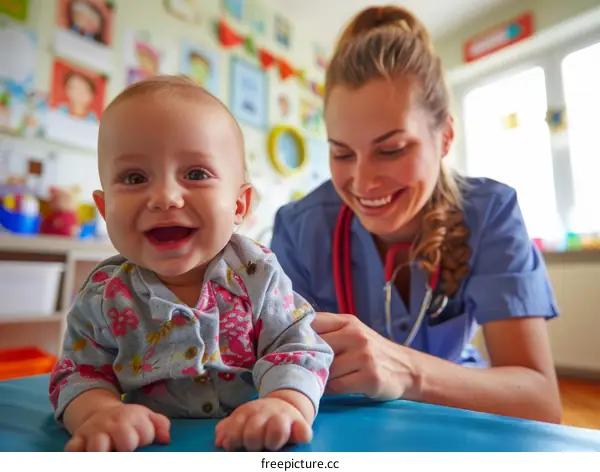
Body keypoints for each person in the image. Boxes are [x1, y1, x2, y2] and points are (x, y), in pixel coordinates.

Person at [270, 5, 562, 424]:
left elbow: (540, 402)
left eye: (391, 149)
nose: (363, 181)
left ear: (444, 136)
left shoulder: (489, 212)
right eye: (341, 153)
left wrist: (405, 371)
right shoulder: (300, 227)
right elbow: (276, 367)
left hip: (457, 406)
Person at [48, 75, 333, 452]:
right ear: (105, 209)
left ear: (239, 205)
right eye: (134, 178)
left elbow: (298, 346)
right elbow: (77, 373)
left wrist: (283, 403)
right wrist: (97, 412)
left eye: (196, 174)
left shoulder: (256, 273)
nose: (165, 197)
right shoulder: (104, 295)